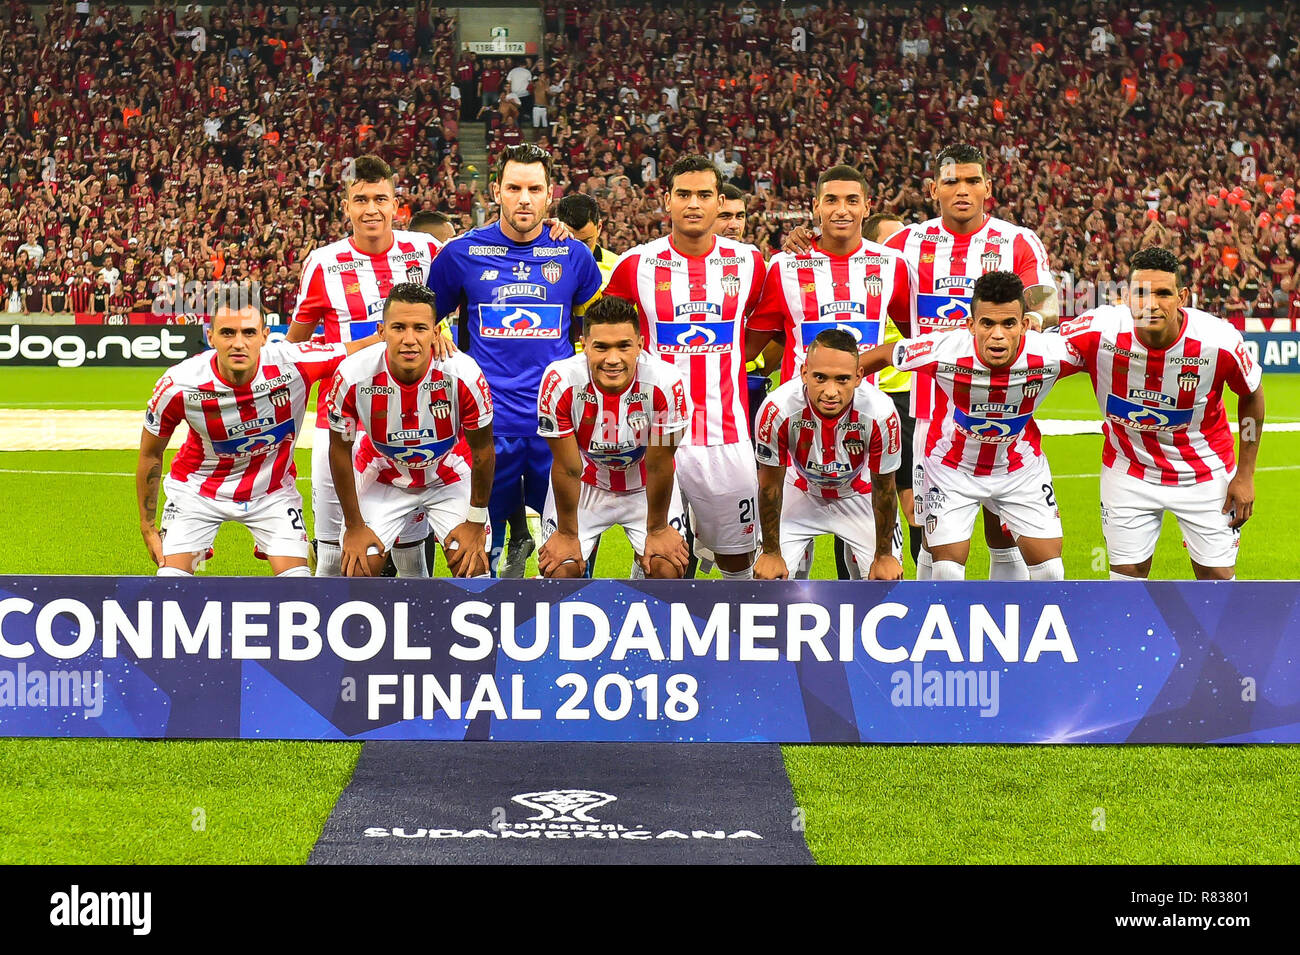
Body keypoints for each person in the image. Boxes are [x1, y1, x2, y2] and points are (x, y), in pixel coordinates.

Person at [788, 144, 1060, 581]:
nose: (963, 190)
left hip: (1003, 412)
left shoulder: (1017, 241)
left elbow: (1046, 312)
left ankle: (1007, 632)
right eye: (952, 181)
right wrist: (807, 236)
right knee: (937, 544)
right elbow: (850, 256)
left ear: (988, 187)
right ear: (934, 189)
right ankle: (938, 629)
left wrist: (1013, 329)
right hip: (932, 421)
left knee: (1004, 533)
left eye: (973, 180)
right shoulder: (905, 244)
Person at [425, 143, 602, 575]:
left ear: (549, 195)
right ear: (496, 191)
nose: (525, 198)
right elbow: (424, 316)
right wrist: (439, 328)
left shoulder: (573, 255)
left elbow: (597, 331)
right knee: (475, 566)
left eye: (535, 189)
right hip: (485, 431)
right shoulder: (460, 253)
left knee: (570, 562)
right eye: (514, 188)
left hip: (556, 430)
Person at [857, 272, 1082, 581]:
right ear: (971, 325)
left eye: (1009, 324)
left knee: (1050, 572)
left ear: (1025, 325)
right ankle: (931, 617)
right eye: (987, 323)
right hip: (952, 469)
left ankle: (1011, 623)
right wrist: (836, 378)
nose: (998, 335)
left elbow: (1099, 350)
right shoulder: (946, 349)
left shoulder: (1051, 354)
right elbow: (885, 354)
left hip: (1020, 468)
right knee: (947, 571)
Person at [605, 154, 768, 580]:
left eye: (703, 195)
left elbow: (765, 327)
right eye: (683, 194)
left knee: (737, 561)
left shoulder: (749, 262)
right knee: (663, 563)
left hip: (726, 438)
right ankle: (656, 641)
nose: (693, 204)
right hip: (658, 441)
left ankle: (736, 642)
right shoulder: (637, 264)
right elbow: (605, 335)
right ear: (666, 201)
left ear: (719, 203)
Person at [748, 166, 915, 577]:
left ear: (867, 207)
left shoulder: (892, 265)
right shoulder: (785, 265)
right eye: (831, 201)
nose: (842, 210)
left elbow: (917, 339)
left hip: (864, 429)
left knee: (876, 576)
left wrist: (869, 363)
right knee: (778, 576)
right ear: (815, 206)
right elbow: (751, 341)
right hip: (795, 436)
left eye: (852, 201)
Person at [1059, 247, 1264, 580]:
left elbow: (1252, 394)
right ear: (1126, 296)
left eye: (1163, 293)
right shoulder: (1098, 330)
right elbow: (1038, 359)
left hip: (1205, 473)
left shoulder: (1218, 341)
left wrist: (1246, 473)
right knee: (1126, 578)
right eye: (1140, 293)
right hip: (1128, 470)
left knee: (1216, 577)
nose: (1150, 304)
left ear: (1182, 296)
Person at [288, 155, 445, 578]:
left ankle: (417, 636)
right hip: (340, 423)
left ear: (397, 204)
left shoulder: (426, 251)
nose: (371, 209)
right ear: (346, 206)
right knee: (334, 552)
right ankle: (324, 639)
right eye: (360, 199)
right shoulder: (323, 263)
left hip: (411, 420)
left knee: (413, 553)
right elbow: (295, 351)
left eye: (380, 198)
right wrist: (364, 343)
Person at [136, 305, 373, 577]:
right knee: (171, 583)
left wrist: (430, 338)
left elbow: (363, 347)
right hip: (197, 493)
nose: (239, 343)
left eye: (249, 333)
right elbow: (150, 454)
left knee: (297, 585)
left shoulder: (293, 362)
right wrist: (147, 526)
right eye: (227, 333)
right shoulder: (179, 384)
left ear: (264, 335)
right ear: (210, 337)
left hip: (272, 493)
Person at [325, 284, 496, 578]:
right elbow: (339, 450)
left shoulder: (464, 374)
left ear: (435, 332)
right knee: (359, 568)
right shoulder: (352, 375)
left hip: (448, 475)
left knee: (473, 565)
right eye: (398, 328)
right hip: (383, 475)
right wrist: (354, 526)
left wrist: (475, 521)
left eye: (419, 328)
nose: (409, 340)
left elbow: (483, 451)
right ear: (381, 331)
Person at [536, 295, 691, 578]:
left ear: (640, 345)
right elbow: (568, 468)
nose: (613, 359)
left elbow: (659, 464)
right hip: (585, 483)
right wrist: (567, 535)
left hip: (646, 484)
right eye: (601, 347)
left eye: (623, 346)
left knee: (668, 569)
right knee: (559, 571)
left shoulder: (667, 382)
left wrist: (657, 530)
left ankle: (642, 570)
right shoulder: (559, 380)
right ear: (584, 345)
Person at [753, 328, 904, 581]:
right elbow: (769, 486)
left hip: (859, 493)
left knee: (885, 580)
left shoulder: (881, 412)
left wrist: (884, 555)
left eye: (842, 379)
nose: (831, 391)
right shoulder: (775, 409)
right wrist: (770, 551)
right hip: (799, 490)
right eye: (820, 378)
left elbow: (885, 489)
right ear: (804, 373)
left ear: (858, 377)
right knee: (768, 580)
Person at [556, 193, 616, 289]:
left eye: (586, 242)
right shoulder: (541, 261)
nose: (579, 251)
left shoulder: (616, 267)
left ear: (599, 227)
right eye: (571, 242)